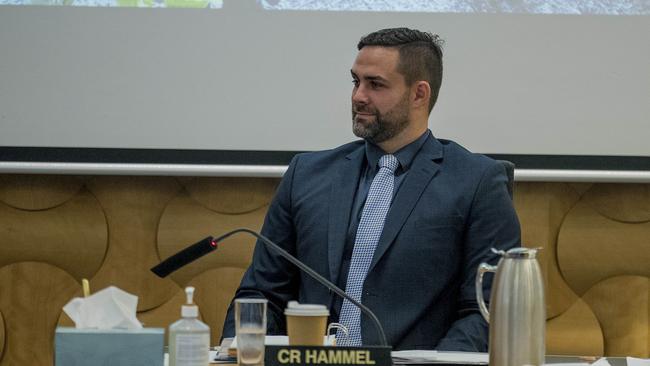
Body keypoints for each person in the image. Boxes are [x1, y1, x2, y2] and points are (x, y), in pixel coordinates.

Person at [222, 27, 520, 351]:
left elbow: (486, 311)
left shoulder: (477, 182)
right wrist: (245, 354)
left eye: (375, 84)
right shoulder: (306, 175)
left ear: (419, 94)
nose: (358, 96)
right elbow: (261, 294)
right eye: (356, 81)